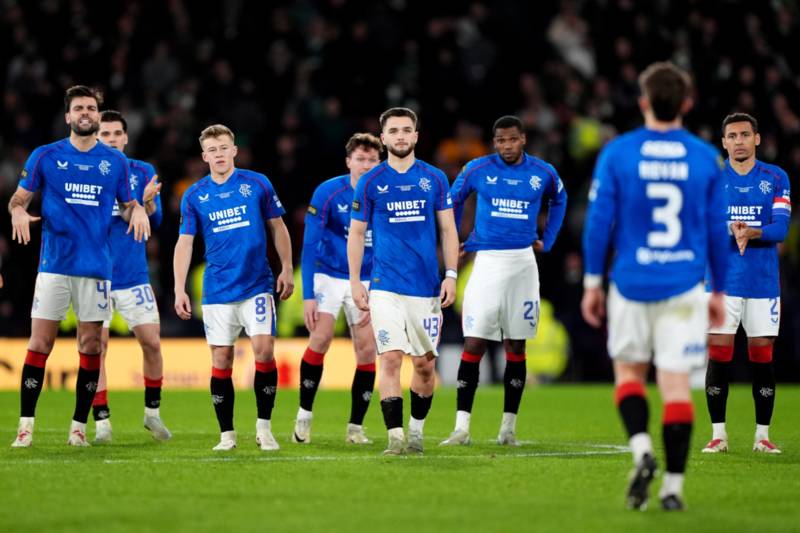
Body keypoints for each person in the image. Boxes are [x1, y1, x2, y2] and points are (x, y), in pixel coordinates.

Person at [581, 62, 728, 511]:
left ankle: (643, 450)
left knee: (629, 376)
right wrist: (718, 290)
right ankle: (673, 489)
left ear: (643, 102)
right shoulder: (706, 157)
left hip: (630, 283)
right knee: (676, 385)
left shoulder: (619, 153)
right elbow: (718, 231)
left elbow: (598, 224)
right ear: (687, 103)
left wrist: (592, 282)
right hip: (684, 286)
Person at [9, 85, 150, 448]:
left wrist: (139, 211)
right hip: (54, 266)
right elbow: (18, 198)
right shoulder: (45, 156)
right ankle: (25, 427)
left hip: (97, 269)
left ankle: (78, 428)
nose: (85, 113)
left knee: (90, 346)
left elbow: (128, 203)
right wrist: (19, 211)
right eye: (79, 108)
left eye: (91, 108)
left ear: (97, 116)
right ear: (68, 116)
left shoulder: (114, 162)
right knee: (40, 342)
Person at [441, 115, 568, 447]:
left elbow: (560, 199)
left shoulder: (542, 172)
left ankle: (508, 429)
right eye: (500, 141)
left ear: (523, 139)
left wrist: (549, 239)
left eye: (512, 140)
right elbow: (450, 202)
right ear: (494, 142)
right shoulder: (477, 169)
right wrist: (455, 242)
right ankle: (461, 428)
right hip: (487, 264)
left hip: (524, 264)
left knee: (516, 345)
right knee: (474, 343)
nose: (506, 146)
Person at [174, 124, 293, 451]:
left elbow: (278, 227)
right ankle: (227, 434)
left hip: (257, 285)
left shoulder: (257, 184)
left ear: (234, 150)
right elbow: (185, 243)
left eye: (224, 148)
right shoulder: (195, 195)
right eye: (212, 150)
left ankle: (264, 428)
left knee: (264, 351)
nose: (219, 155)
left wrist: (287, 268)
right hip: (217, 291)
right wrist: (179, 288)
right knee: (222, 360)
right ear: (204, 156)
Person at [348, 107, 459, 456]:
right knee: (391, 359)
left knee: (425, 367)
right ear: (383, 138)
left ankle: (416, 431)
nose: (400, 136)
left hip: (425, 289)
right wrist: (355, 280)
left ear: (415, 136)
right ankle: (395, 437)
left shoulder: (435, 178)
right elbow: (356, 233)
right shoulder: (370, 181)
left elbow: (448, 229)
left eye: (406, 130)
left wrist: (452, 275)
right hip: (385, 288)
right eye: (393, 130)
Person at [702, 113, 791, 455]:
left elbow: (781, 229)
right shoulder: (712, 180)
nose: (738, 141)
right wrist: (731, 230)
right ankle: (718, 435)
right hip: (722, 281)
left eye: (744, 134)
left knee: (761, 356)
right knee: (720, 352)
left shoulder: (776, 177)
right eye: (732, 136)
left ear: (756, 139)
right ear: (723, 142)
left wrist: (752, 232)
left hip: (763, 282)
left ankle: (762, 436)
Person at [293, 133, 382, 445]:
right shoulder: (328, 192)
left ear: (379, 163)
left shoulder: (385, 192)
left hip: (368, 277)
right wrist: (307, 296)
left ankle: (355, 428)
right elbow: (309, 244)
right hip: (328, 275)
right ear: (348, 162)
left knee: (368, 349)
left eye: (372, 160)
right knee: (321, 337)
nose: (366, 165)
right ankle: (304, 416)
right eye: (360, 159)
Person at [91, 110, 171, 443]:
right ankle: (102, 421)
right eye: (104, 134)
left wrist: (147, 204)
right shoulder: (88, 172)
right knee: (98, 347)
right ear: (96, 138)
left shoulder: (143, 171)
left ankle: (152, 414)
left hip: (133, 275)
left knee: (151, 342)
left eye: (116, 134)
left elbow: (157, 219)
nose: (111, 139)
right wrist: (132, 207)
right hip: (95, 273)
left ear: (126, 137)